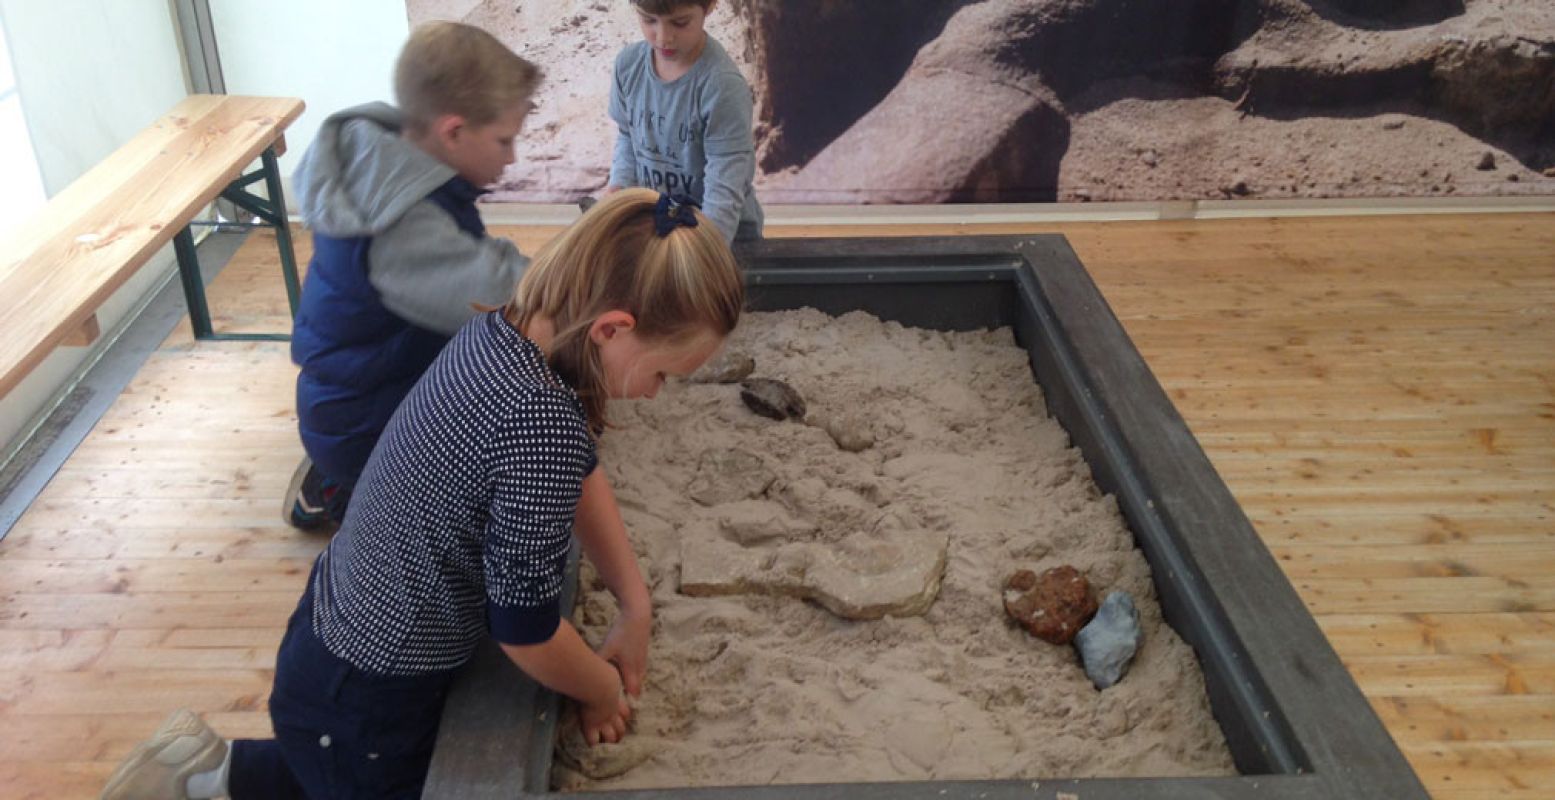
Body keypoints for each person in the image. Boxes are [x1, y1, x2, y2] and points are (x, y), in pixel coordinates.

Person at [99, 189, 745, 800]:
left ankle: (203, 771)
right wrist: (602, 689)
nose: (657, 393)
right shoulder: (539, 422)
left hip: (332, 644)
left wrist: (635, 606)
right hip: (369, 692)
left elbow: (579, 470)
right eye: (662, 373)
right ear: (610, 329)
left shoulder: (506, 334)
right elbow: (524, 630)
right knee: (354, 778)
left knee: (327, 773)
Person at [282, 21, 540, 530]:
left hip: (362, 385)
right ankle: (348, 490)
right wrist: (587, 276)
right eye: (504, 141)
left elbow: (473, 257)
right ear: (453, 131)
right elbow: (501, 295)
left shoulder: (394, 159)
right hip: (361, 423)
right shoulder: (398, 230)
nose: (513, 157)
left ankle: (342, 470)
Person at [603, 0, 763, 244]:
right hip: (659, 222)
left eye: (680, 23)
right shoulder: (628, 66)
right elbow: (628, 134)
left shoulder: (722, 86)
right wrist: (620, 188)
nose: (663, 38)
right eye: (649, 20)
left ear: (709, 7)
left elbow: (725, 183)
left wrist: (707, 250)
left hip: (723, 232)